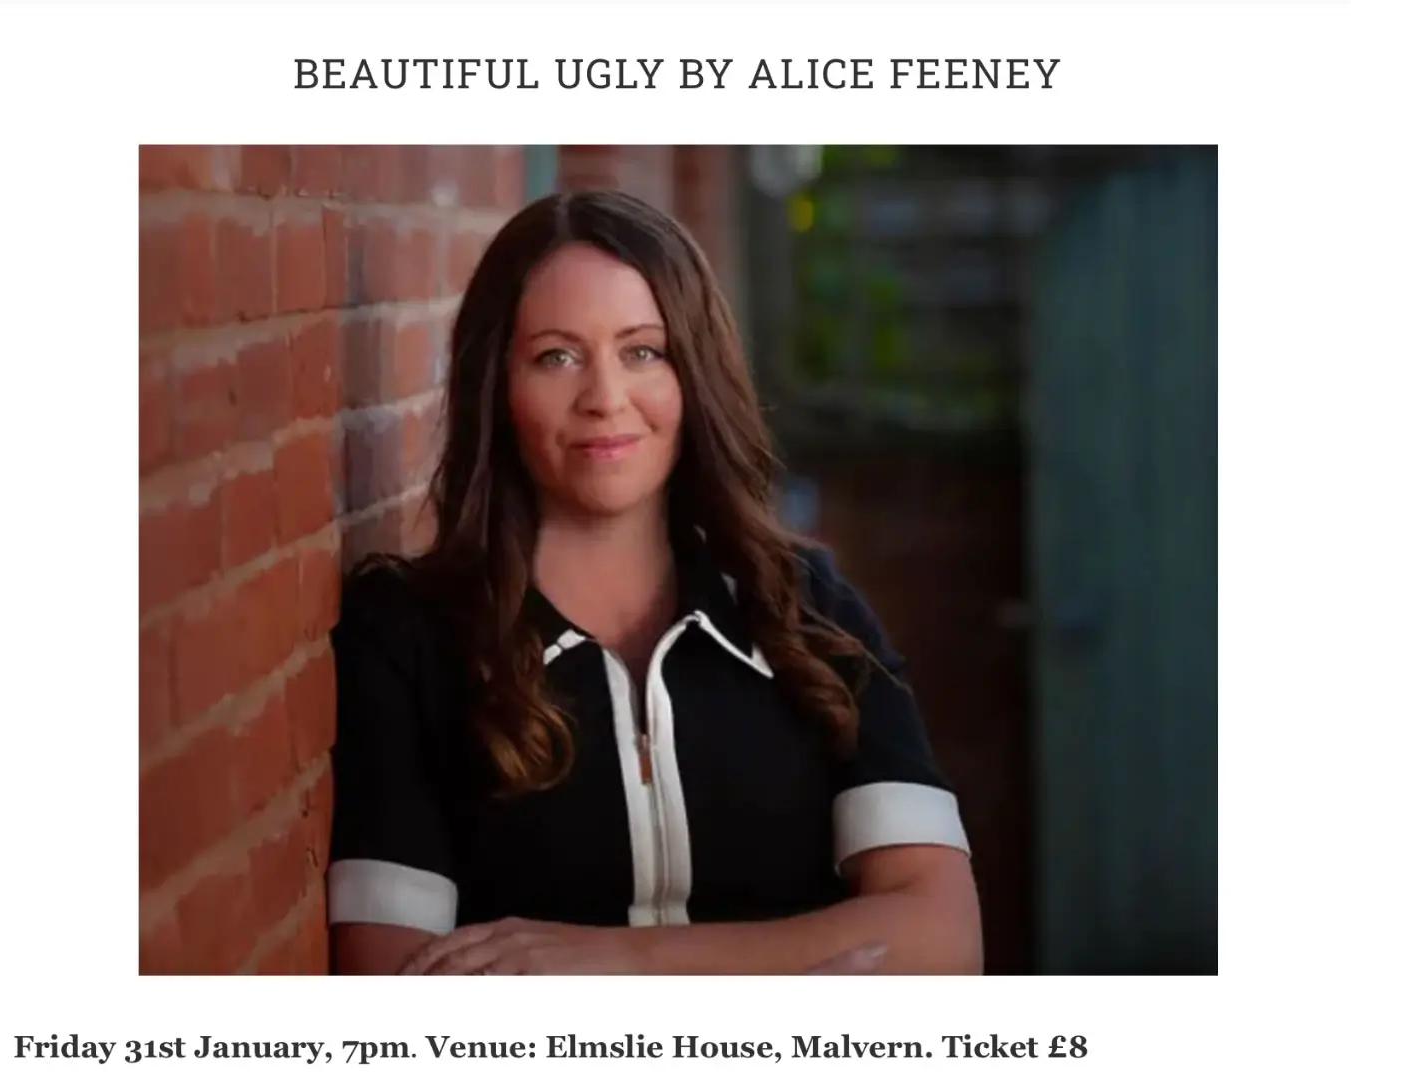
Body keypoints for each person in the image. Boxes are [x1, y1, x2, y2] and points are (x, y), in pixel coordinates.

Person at [326, 189, 982, 975]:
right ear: (499, 388)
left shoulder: (808, 609)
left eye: (643, 351)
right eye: (556, 356)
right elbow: (397, 981)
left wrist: (621, 962)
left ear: (693, 375)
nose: (606, 399)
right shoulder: (407, 636)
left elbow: (940, 941)